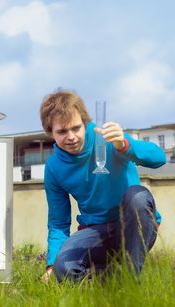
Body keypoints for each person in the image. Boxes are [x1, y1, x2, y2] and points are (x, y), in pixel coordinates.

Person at [39, 90, 166, 283]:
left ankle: (129, 283)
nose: (71, 137)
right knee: (63, 268)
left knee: (138, 197)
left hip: (134, 224)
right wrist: (51, 265)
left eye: (76, 128)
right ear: (50, 132)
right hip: (95, 231)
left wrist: (124, 145)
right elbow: (58, 223)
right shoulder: (53, 167)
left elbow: (159, 158)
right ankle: (119, 278)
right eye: (62, 132)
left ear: (85, 123)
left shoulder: (108, 138)